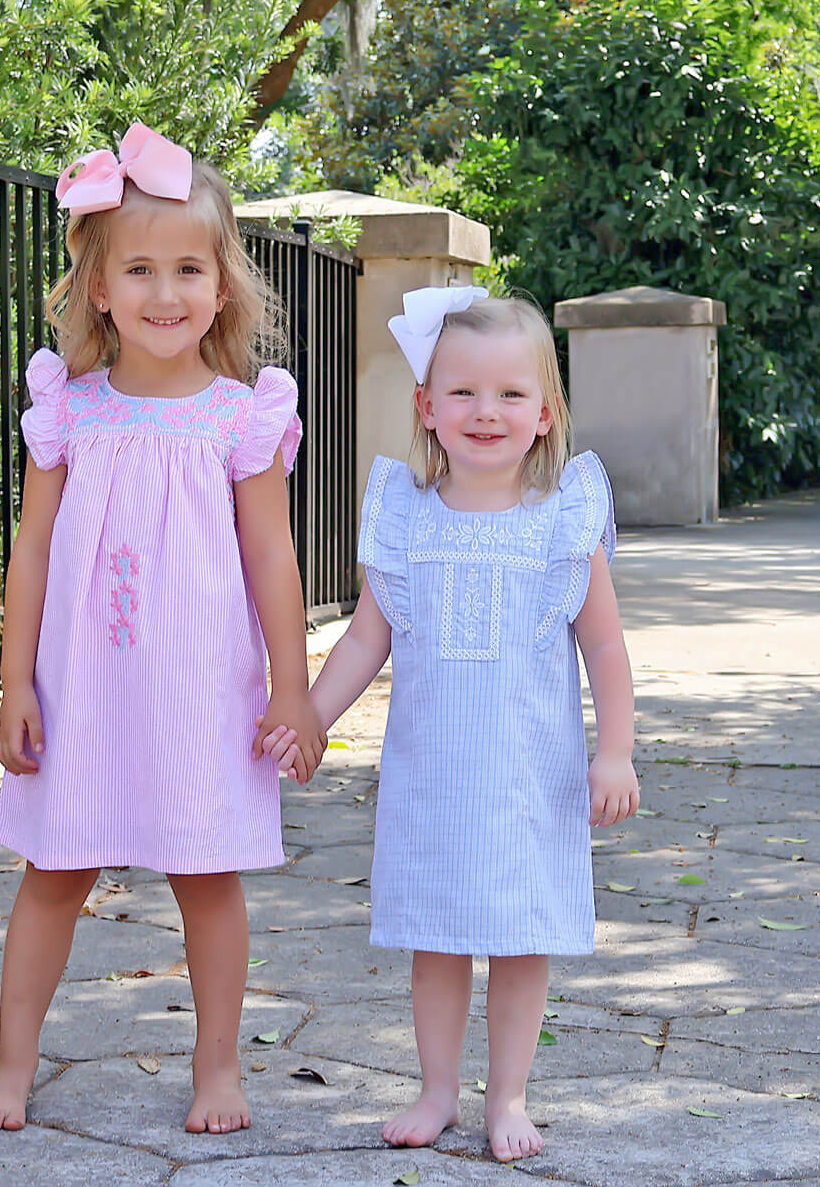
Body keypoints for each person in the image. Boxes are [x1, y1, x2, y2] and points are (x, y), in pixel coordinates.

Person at [0, 122, 326, 1137]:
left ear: (221, 288)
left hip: (199, 688)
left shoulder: (239, 418)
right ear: (99, 289)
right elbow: (31, 552)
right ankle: (12, 1061)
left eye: (187, 270)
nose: (165, 294)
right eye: (139, 270)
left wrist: (290, 688)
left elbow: (272, 559)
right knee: (54, 874)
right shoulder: (68, 412)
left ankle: (218, 1070)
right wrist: (17, 685)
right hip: (82, 688)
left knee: (206, 878)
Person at [263, 287, 639, 1162]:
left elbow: (607, 647)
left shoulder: (564, 517)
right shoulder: (404, 513)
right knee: (435, 942)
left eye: (511, 394)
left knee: (520, 940)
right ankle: (436, 1089)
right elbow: (365, 637)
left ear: (545, 413)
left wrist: (614, 749)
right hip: (434, 779)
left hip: (530, 780)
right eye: (463, 392)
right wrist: (309, 720)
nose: (486, 411)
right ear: (427, 407)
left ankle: (506, 1096)